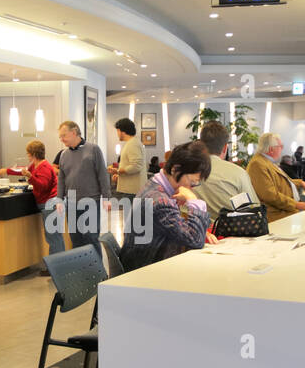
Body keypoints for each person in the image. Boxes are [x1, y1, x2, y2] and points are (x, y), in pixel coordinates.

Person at [120, 142, 217, 272]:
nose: (191, 188)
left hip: (147, 267)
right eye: (191, 182)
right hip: (146, 275)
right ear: (175, 169)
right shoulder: (160, 200)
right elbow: (195, 240)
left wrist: (197, 229)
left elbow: (181, 231)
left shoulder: (154, 186)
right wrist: (194, 201)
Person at [56, 120, 110, 249]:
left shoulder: (93, 149)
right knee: (76, 239)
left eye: (64, 136)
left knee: (91, 238)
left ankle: (96, 269)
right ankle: (80, 268)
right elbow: (61, 178)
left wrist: (106, 197)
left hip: (90, 201)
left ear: (74, 132)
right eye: (60, 137)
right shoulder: (64, 154)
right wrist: (59, 199)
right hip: (71, 203)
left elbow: (102, 174)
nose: (62, 139)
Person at [195, 120, 259, 218]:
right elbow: (255, 209)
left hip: (196, 230)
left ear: (200, 145)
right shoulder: (238, 173)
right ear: (225, 148)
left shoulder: (187, 173)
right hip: (232, 231)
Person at [247, 132, 305, 223]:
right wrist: (296, 205)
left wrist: (300, 182)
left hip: (285, 210)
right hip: (277, 215)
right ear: (271, 149)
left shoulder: (266, 161)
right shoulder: (257, 164)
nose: (282, 149)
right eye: (280, 146)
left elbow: (281, 182)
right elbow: (269, 195)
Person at [110, 117, 145, 226]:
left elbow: (136, 165)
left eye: (117, 131)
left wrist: (119, 171)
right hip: (132, 189)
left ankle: (132, 243)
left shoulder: (132, 144)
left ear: (121, 131)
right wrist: (118, 173)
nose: (117, 133)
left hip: (132, 191)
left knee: (131, 223)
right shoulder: (133, 143)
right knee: (131, 222)